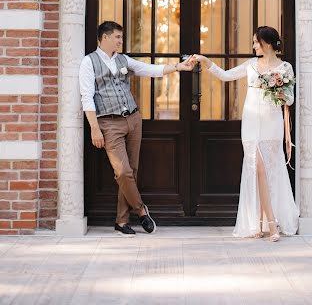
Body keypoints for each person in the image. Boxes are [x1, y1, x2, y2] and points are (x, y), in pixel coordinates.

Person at [79, 20, 195, 235]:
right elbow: (87, 97)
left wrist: (179, 66)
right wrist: (94, 128)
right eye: (117, 37)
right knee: (122, 171)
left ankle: (122, 221)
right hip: (109, 123)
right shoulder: (89, 62)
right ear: (105, 38)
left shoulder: (123, 59)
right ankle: (141, 211)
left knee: (132, 171)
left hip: (132, 119)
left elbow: (149, 69)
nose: (121, 41)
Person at [193, 26, 299, 241]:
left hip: (272, 122)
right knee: (257, 168)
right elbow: (224, 76)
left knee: (270, 170)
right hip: (251, 123)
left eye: (255, 42)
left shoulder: (285, 67)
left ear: (266, 43)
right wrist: (206, 62)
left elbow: (289, 100)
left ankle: (264, 223)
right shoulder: (251, 65)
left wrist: (276, 89)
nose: (253, 46)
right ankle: (270, 224)